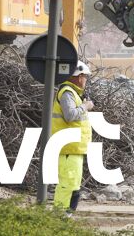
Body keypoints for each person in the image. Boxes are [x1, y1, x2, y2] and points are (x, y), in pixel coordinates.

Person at [51, 61, 93, 214]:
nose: (85, 81)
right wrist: (85, 106)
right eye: (85, 77)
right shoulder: (67, 92)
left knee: (73, 185)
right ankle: (59, 217)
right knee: (68, 185)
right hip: (68, 147)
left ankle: (65, 216)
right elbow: (70, 116)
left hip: (74, 148)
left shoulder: (73, 93)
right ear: (78, 76)